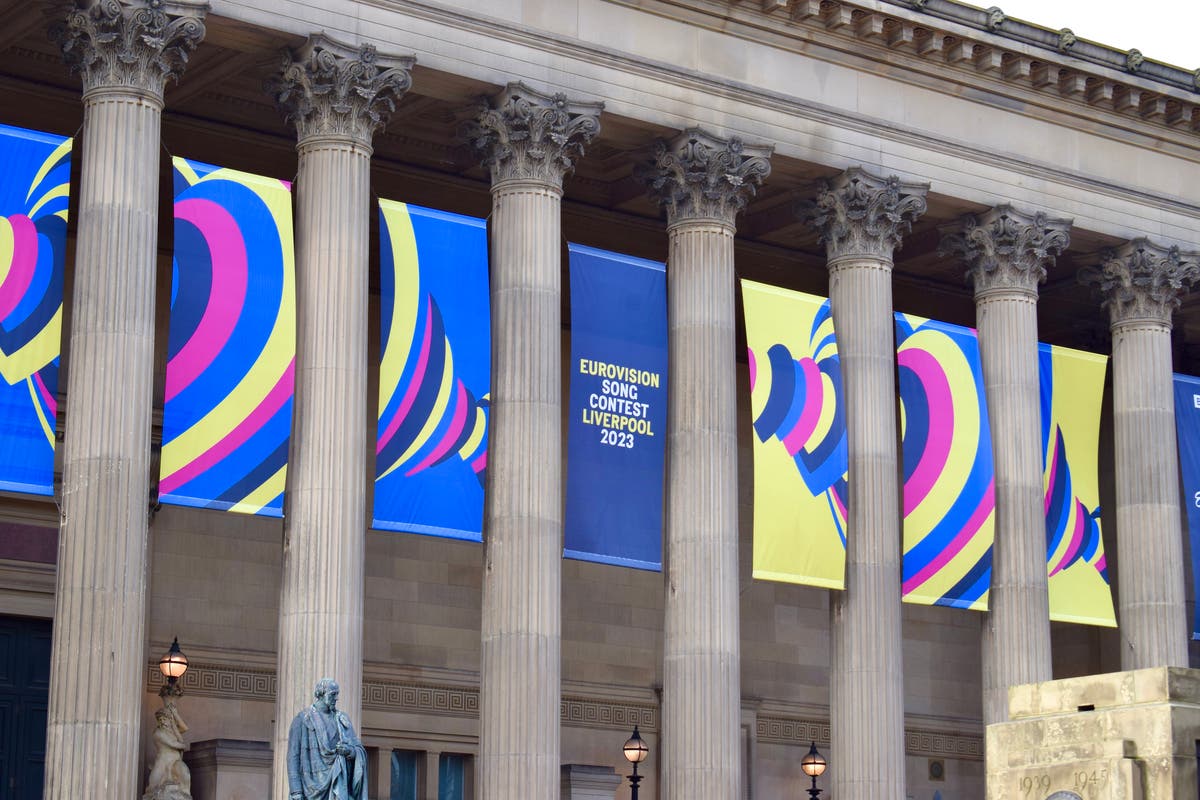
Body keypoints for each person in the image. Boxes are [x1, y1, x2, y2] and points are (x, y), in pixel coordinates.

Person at [287, 678, 368, 800]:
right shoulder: (302, 720)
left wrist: (349, 751)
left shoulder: (342, 719)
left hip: (338, 784)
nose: (336, 698)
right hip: (310, 788)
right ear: (321, 694)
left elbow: (358, 749)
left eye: (337, 694)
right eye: (333, 694)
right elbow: (293, 757)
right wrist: (296, 791)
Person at [143, 700, 191, 800]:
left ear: (169, 720)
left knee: (185, 775)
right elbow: (175, 744)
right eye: (160, 719)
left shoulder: (172, 731)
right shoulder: (158, 733)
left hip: (175, 763)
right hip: (163, 764)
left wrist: (175, 715)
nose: (162, 721)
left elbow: (185, 728)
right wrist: (182, 744)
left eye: (164, 719)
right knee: (152, 789)